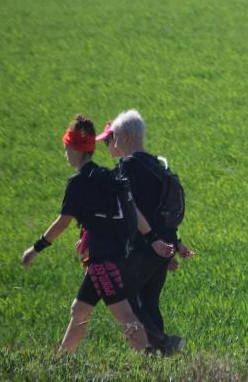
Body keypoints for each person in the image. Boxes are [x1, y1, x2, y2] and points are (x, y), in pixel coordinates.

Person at [20, 114, 149, 353]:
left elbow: (63, 221)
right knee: (79, 309)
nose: (65, 153)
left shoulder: (79, 181)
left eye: (66, 148)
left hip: (103, 260)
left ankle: (152, 362)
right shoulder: (105, 175)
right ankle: (61, 364)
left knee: (124, 316)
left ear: (77, 150)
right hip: (110, 254)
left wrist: (35, 249)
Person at [107, 110, 192, 356]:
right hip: (164, 245)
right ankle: (156, 359)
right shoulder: (158, 165)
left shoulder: (127, 166)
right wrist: (172, 244)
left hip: (142, 245)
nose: (112, 142)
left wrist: (152, 240)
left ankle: (164, 343)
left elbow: (129, 206)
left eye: (114, 136)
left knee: (125, 299)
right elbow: (164, 210)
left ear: (123, 136)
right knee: (149, 301)